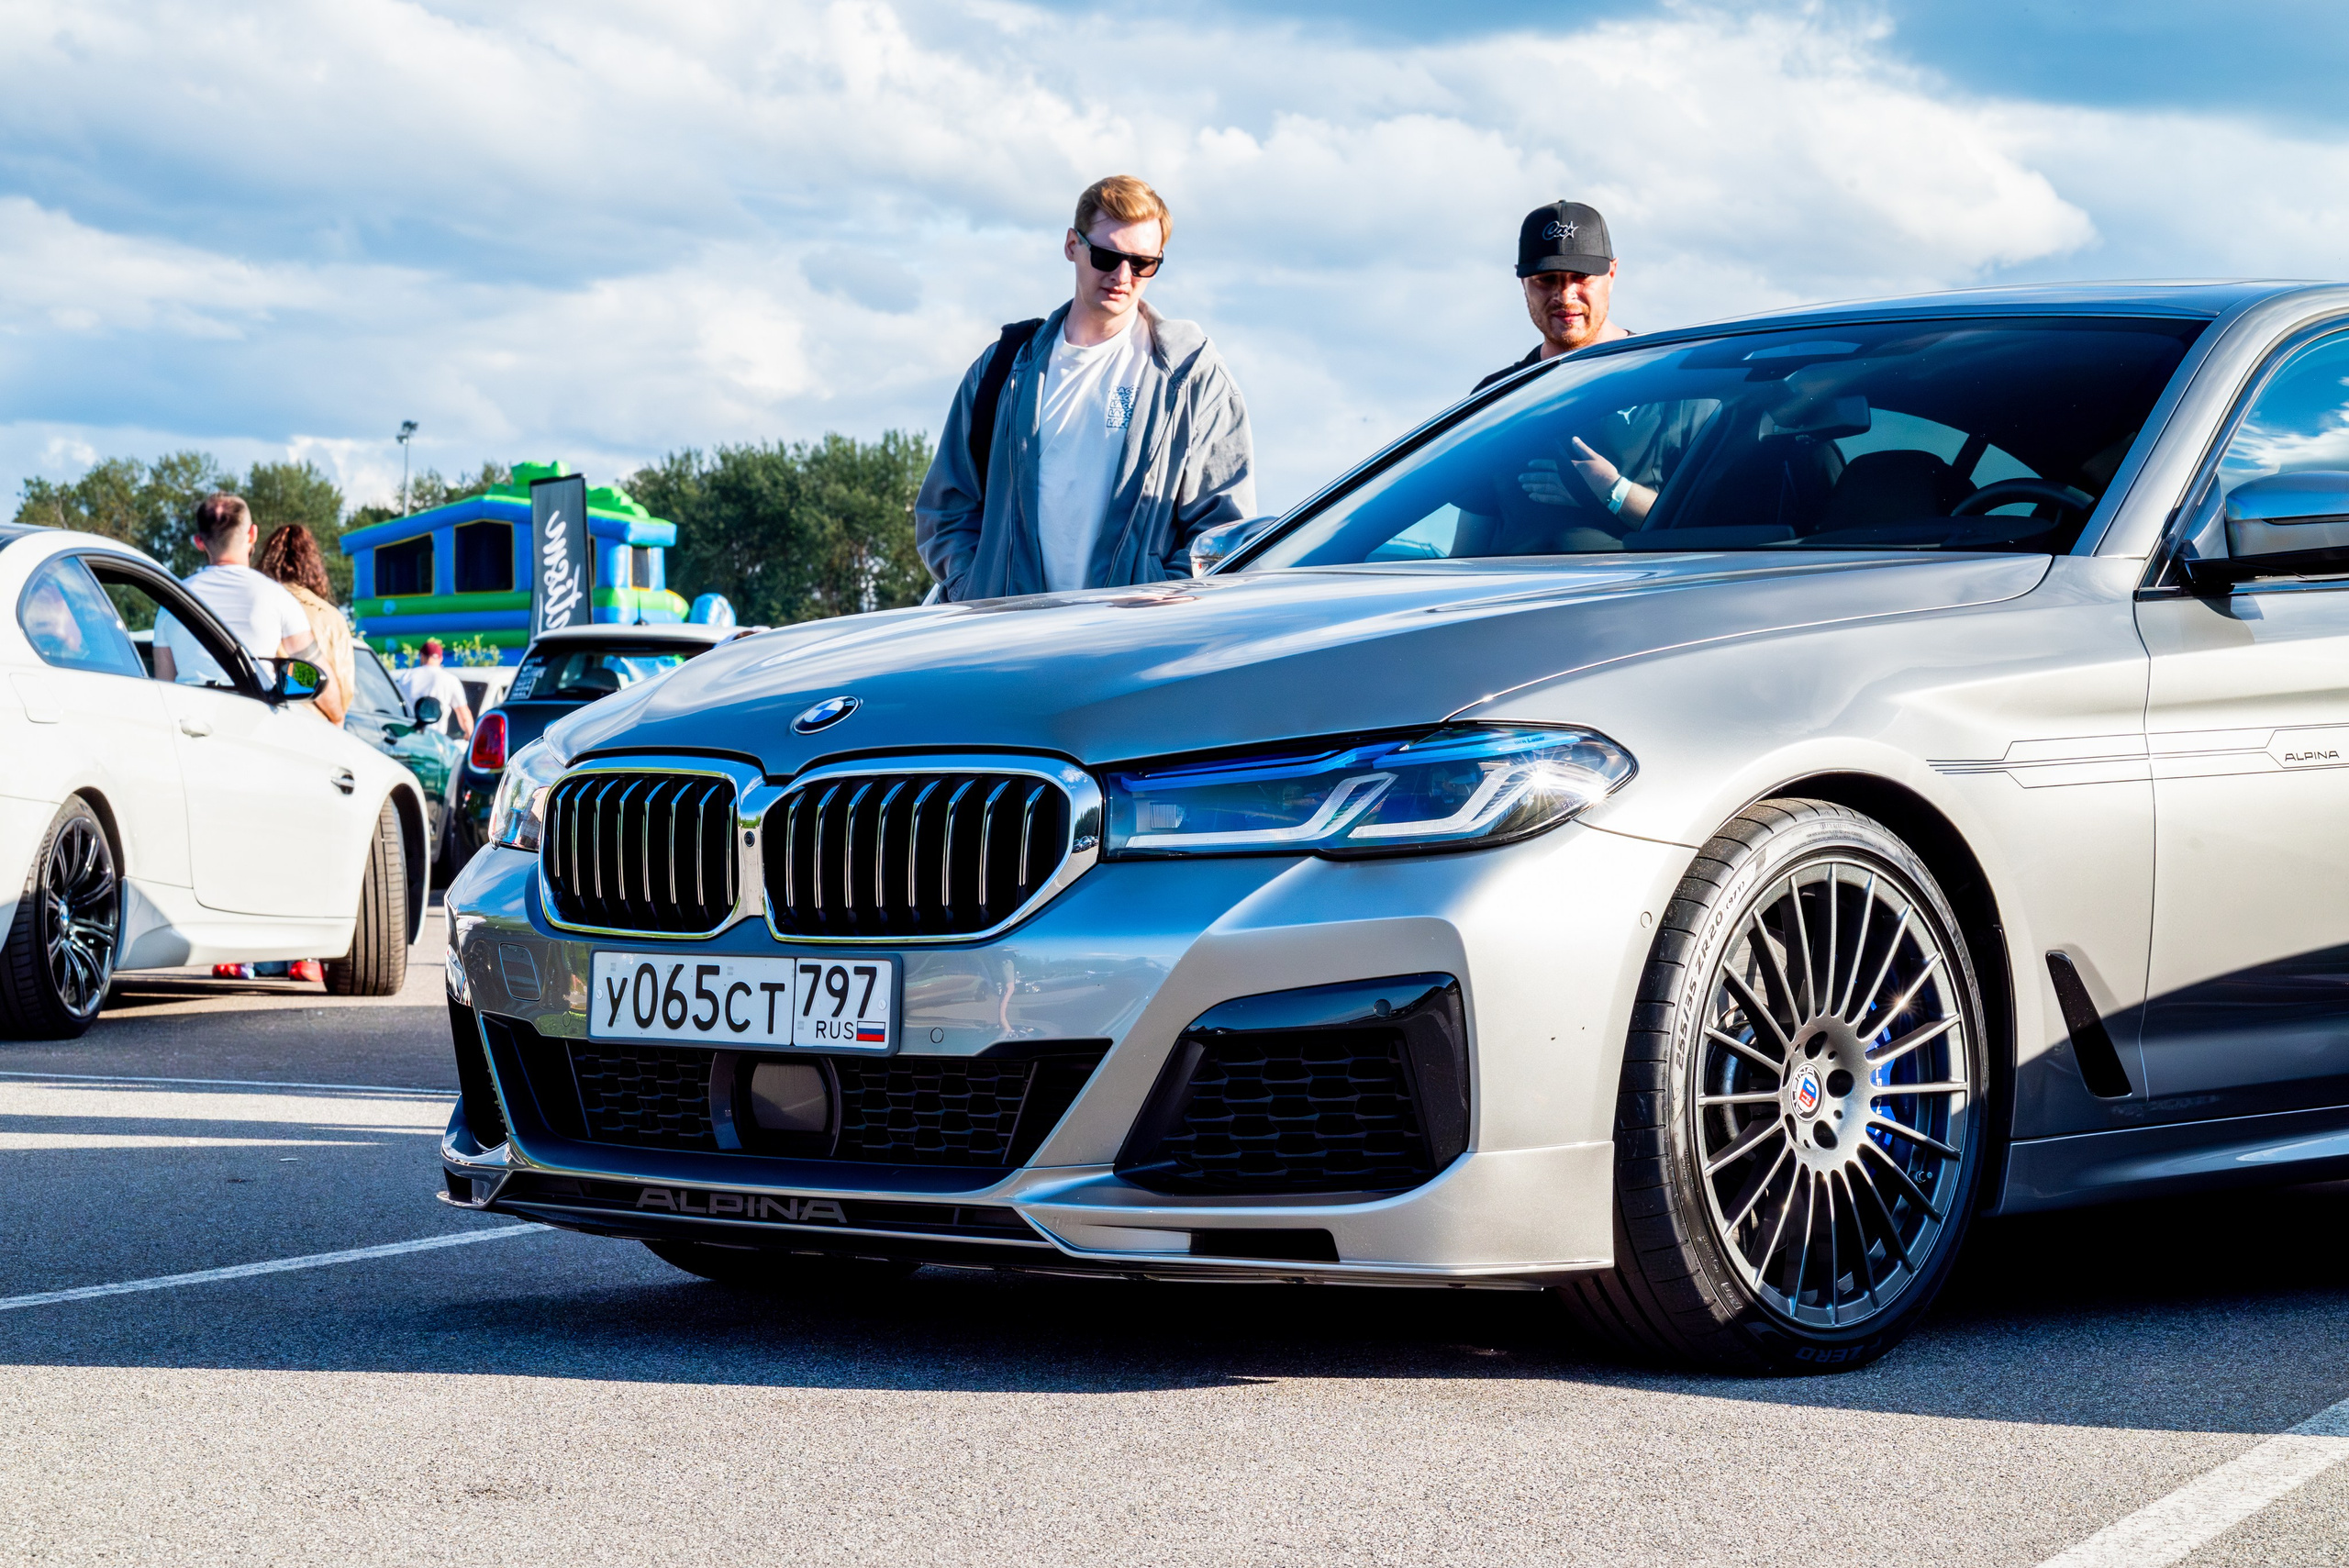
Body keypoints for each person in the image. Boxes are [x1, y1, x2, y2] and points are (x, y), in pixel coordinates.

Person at [915, 174, 1255, 600]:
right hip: (1006, 642)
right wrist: (976, 588)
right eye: (1107, 257)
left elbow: (1223, 531)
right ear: (1072, 246)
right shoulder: (1003, 368)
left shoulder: (1192, 378)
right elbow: (946, 509)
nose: (1123, 275)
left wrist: (1163, 602)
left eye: (1142, 263)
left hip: (1127, 646)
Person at [1459, 201, 1699, 546]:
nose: (1564, 295)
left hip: (1634, 595)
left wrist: (1612, 490)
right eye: (1546, 280)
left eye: (1581, 278)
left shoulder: (1671, 384)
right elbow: (1469, 544)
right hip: (1515, 596)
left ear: (1612, 274)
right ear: (1523, 281)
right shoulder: (1498, 397)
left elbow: (1710, 523)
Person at [152, 494, 337, 707]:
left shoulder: (172, 600)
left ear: (199, 542)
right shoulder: (277, 597)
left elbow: (163, 686)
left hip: (189, 721)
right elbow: (320, 679)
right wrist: (338, 716)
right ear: (252, 534)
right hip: (255, 721)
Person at [253, 524, 351, 727]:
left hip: (261, 719)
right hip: (315, 728)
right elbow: (343, 694)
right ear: (313, 564)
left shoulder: (256, 604)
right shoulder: (332, 617)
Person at [395, 639, 473, 737]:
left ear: (422, 656)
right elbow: (464, 714)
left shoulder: (406, 677)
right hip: (435, 739)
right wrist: (469, 735)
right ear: (440, 659)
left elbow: (395, 705)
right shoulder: (450, 680)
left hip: (408, 736)